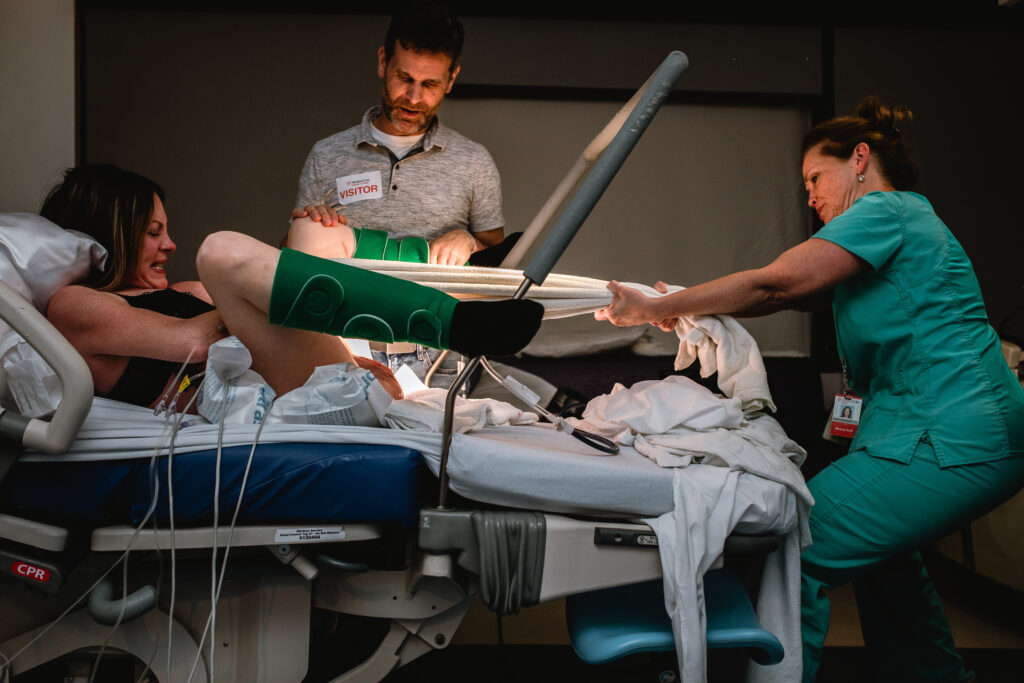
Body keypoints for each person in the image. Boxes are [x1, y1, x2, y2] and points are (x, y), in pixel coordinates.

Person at [595, 96, 1024, 682]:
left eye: (815, 178)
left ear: (860, 159)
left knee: (795, 545)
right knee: (889, 571)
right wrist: (688, 302)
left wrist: (655, 307)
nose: (810, 196)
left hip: (956, 432)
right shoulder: (884, 236)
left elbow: (776, 285)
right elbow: (781, 294)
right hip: (924, 433)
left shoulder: (888, 210)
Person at [41, 164, 541, 413]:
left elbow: (265, 324)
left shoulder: (185, 290)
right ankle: (454, 322)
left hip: (320, 370)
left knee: (310, 233)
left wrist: (285, 283)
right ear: (111, 235)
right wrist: (257, 293)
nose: (170, 245)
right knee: (221, 252)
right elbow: (193, 344)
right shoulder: (73, 306)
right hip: (272, 400)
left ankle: (469, 275)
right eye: (153, 233)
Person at [287, 1, 506, 386]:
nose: (414, 97)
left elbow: (500, 262)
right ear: (383, 62)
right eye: (404, 78)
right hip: (343, 343)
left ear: (451, 79)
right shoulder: (326, 155)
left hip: (437, 348)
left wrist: (469, 240)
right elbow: (292, 266)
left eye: (430, 84)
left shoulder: (474, 161)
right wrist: (313, 225)